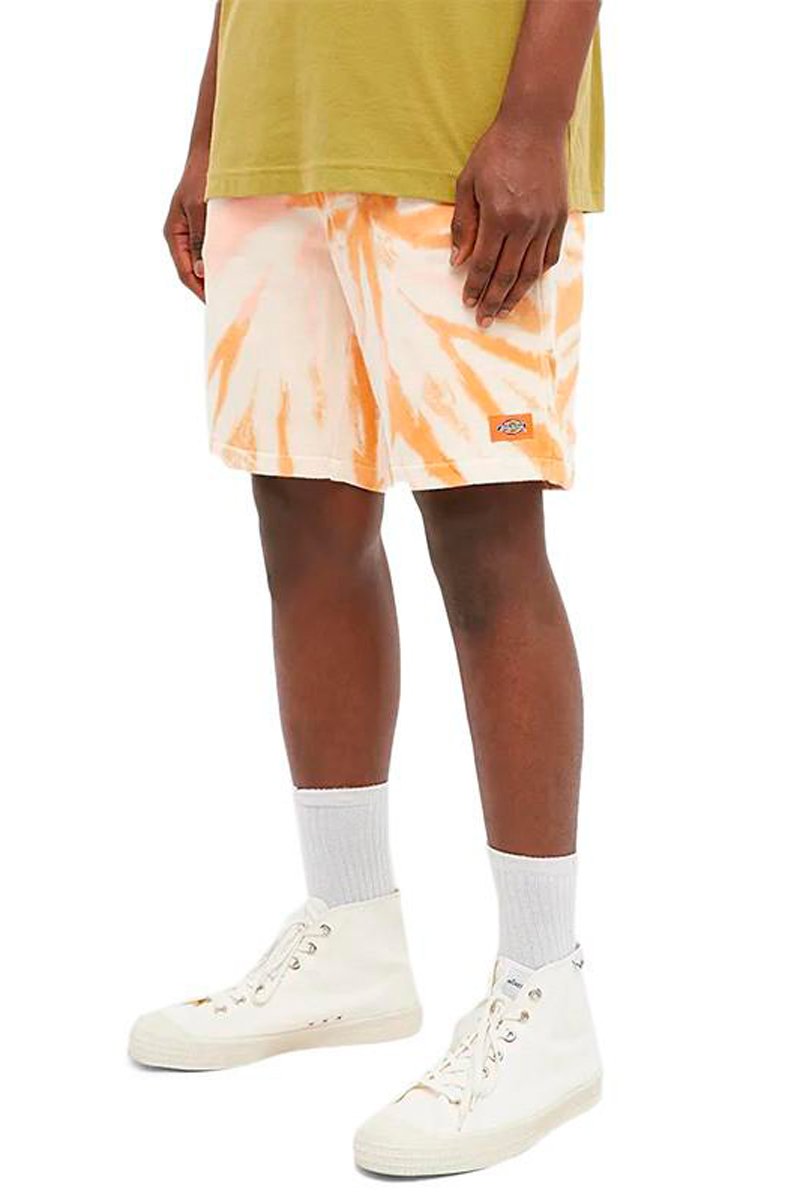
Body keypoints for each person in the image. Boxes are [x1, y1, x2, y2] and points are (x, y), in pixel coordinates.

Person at [130, 0, 605, 1177]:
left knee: (483, 539)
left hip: (454, 131)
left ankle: (544, 990)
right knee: (302, 519)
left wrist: (535, 118)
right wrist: (210, 130)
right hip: (275, 134)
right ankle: (350, 934)